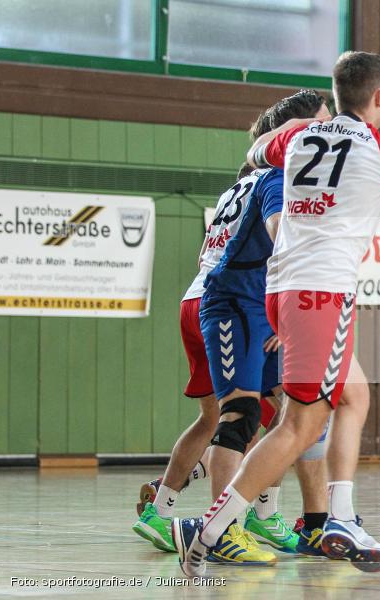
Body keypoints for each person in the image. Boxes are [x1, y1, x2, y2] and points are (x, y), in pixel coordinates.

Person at [173, 50, 380, 577]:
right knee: (298, 425)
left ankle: (337, 517)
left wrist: (296, 123)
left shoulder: (295, 139)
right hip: (322, 292)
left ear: (335, 95)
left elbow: (256, 148)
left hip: (282, 290)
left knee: (353, 396)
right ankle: (212, 529)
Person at [133, 93, 333, 562]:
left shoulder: (238, 185)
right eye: (320, 124)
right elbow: (280, 240)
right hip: (236, 302)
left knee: (268, 410)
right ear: (293, 131)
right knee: (241, 416)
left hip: (207, 295)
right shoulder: (276, 181)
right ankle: (224, 523)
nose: (327, 133)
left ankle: (215, 507)